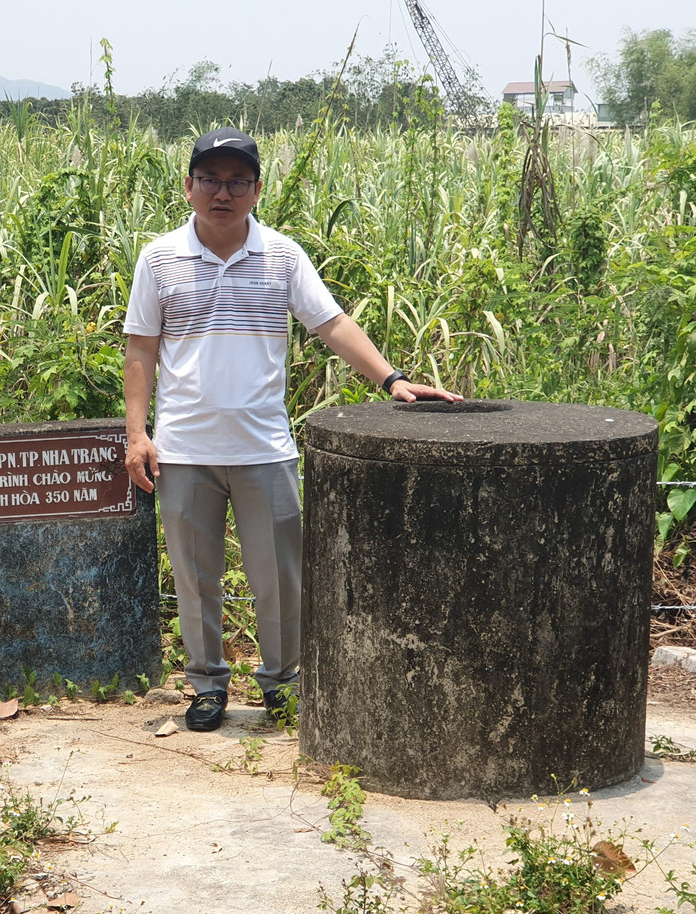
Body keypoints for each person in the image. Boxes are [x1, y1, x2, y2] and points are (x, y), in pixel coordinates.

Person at [123, 127, 461, 732]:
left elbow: (330, 324)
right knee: (194, 578)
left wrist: (391, 380)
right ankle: (205, 685)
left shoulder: (281, 255)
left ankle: (282, 682)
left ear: (255, 190)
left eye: (235, 182)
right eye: (209, 180)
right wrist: (136, 435)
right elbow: (141, 348)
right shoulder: (159, 259)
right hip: (183, 450)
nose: (221, 193)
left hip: (264, 449)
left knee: (278, 576)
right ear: (188, 186)